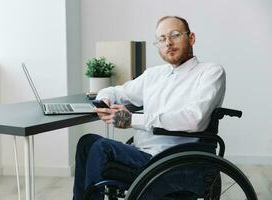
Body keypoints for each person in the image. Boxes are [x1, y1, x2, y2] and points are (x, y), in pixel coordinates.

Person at [73, 16, 226, 200]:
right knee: (87, 143)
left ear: (191, 38)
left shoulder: (210, 72)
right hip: (141, 154)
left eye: (175, 35)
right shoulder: (154, 75)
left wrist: (132, 120)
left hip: (171, 161)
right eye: (162, 39)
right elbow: (116, 91)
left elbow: (195, 120)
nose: (168, 43)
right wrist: (104, 99)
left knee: (102, 148)